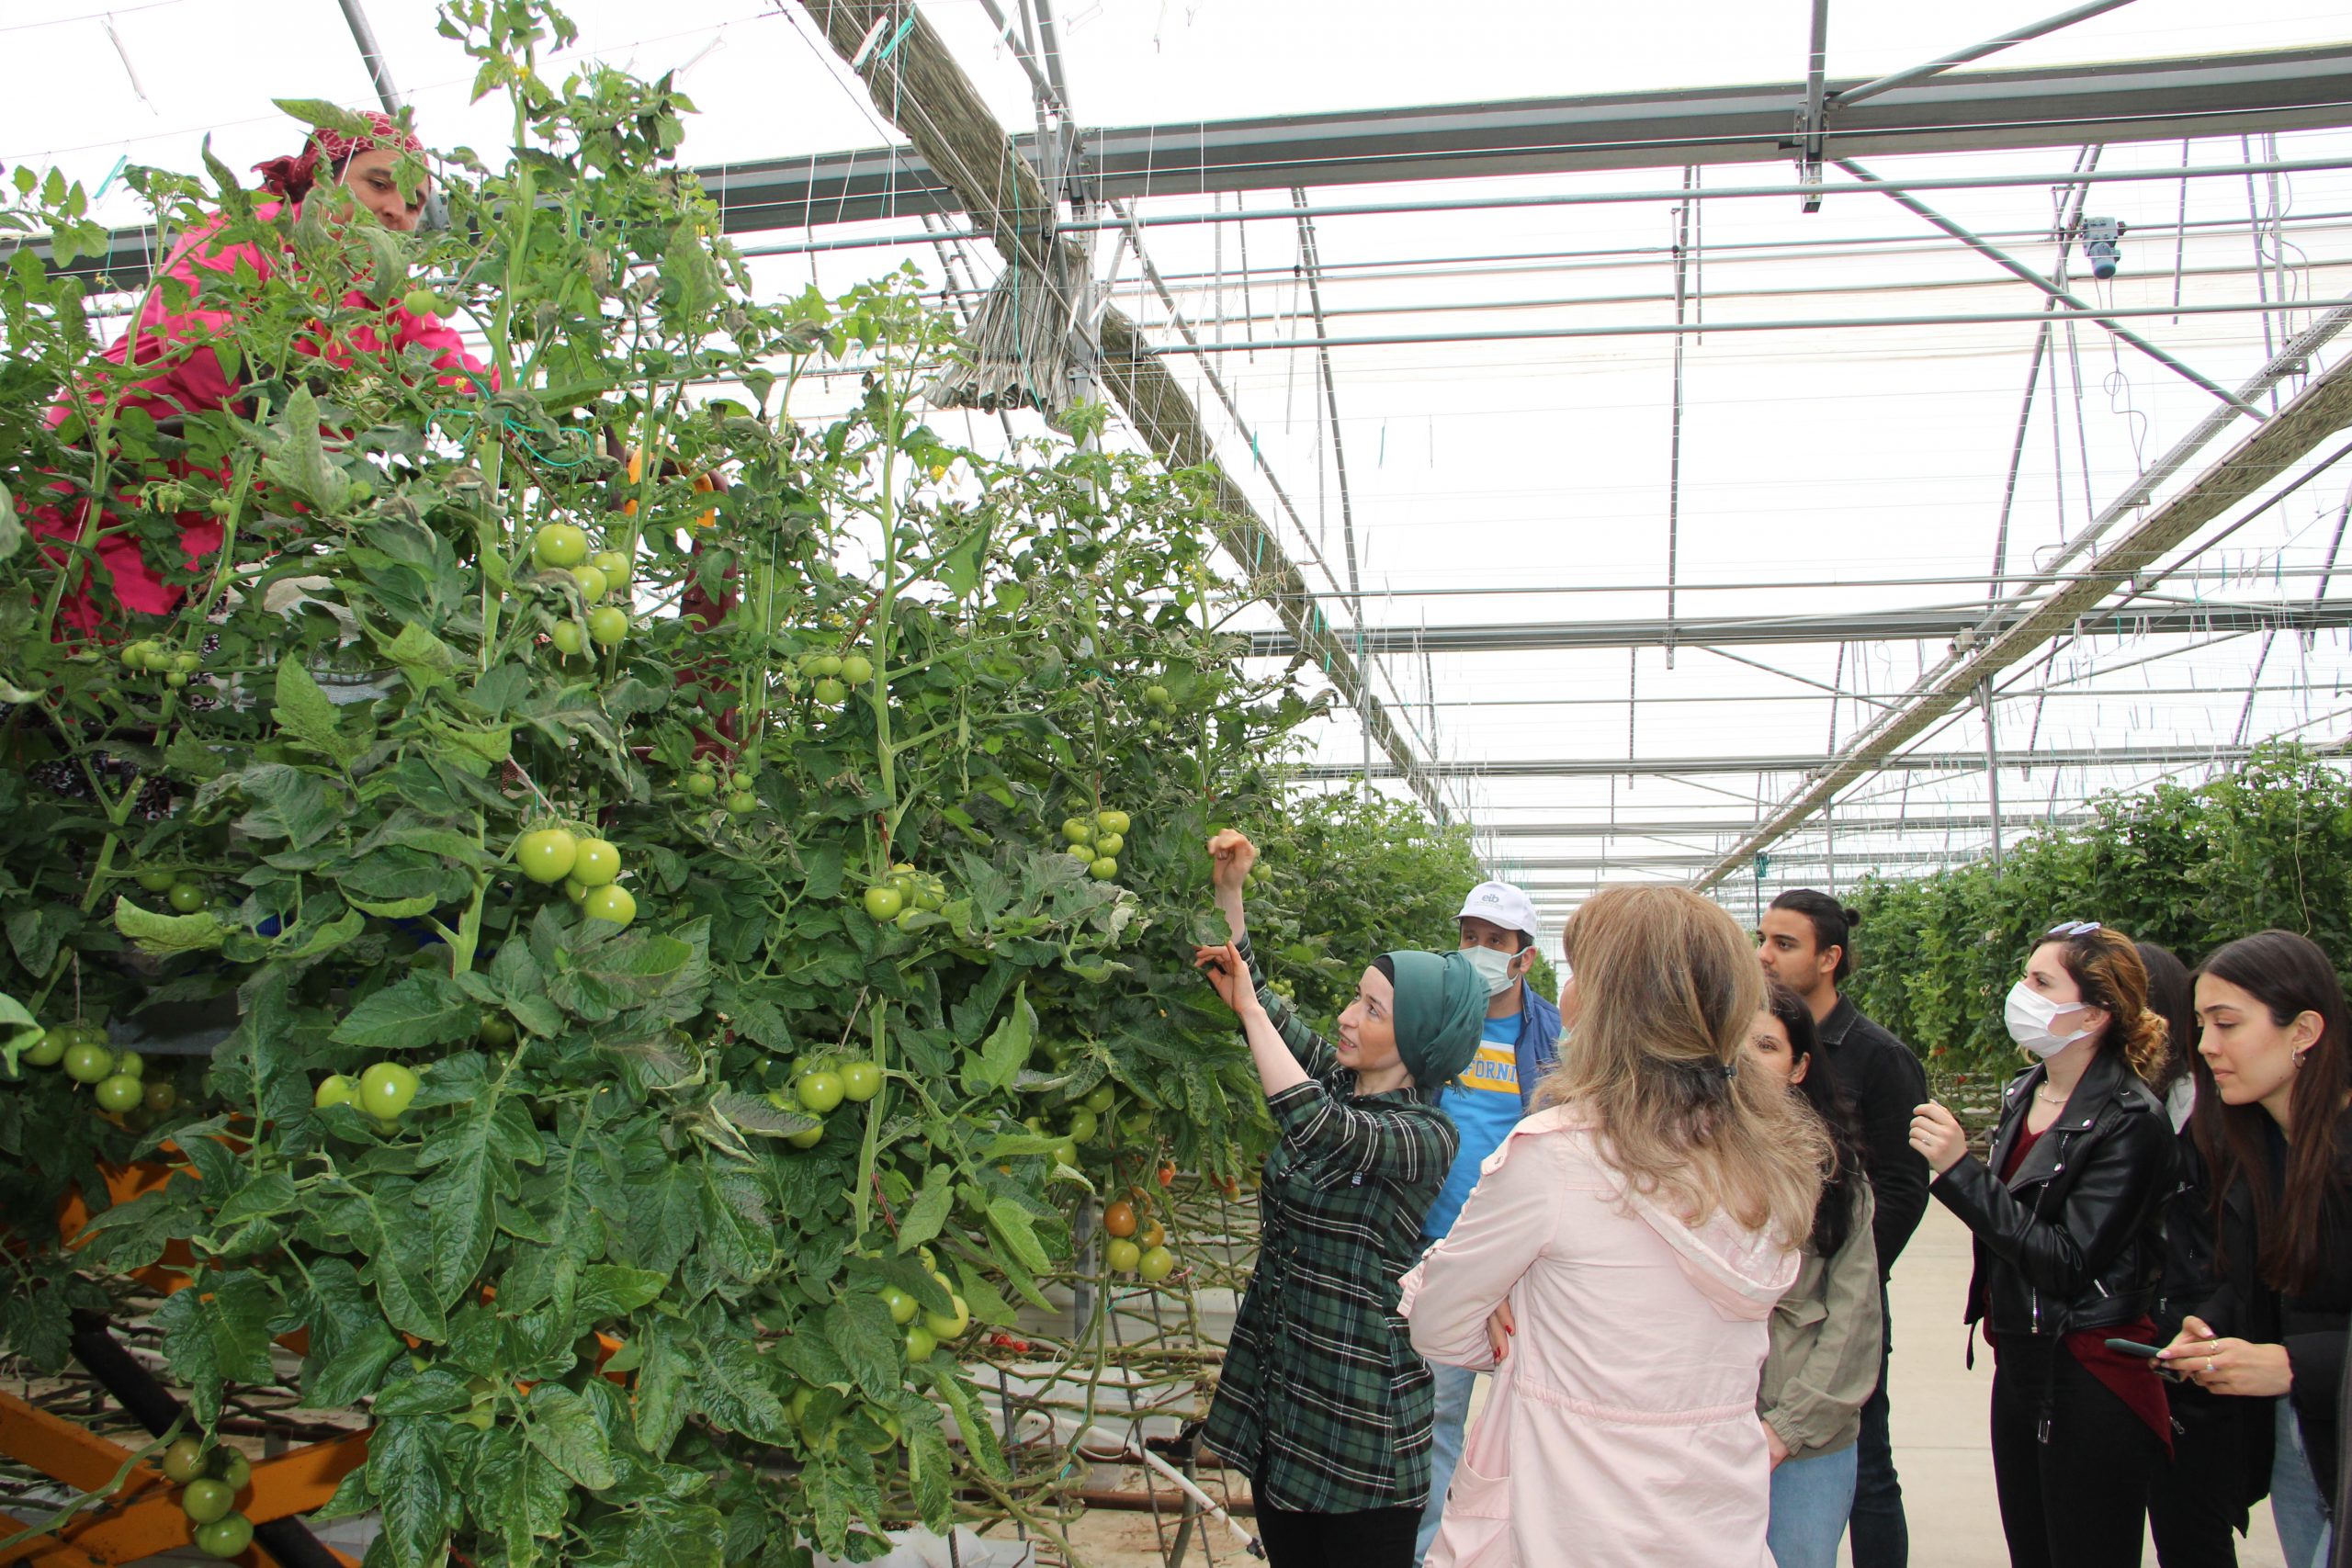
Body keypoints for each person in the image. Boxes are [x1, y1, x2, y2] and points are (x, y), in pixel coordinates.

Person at [1400, 885, 1829, 1568]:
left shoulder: (1560, 1155)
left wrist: (1514, 1296)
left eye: (1582, 976)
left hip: (1562, 1521)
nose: (1566, 995)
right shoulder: (1768, 1166)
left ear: (1611, 1008)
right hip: (1709, 1523)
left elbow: (1438, 1323)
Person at [35, 108, 483, 636]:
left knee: (158, 669)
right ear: (324, 178)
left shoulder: (385, 293)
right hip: (122, 478)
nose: (393, 211)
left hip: (225, 515)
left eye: (413, 205)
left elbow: (446, 364)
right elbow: (195, 327)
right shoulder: (253, 232)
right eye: (378, 184)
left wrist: (522, 414)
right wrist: (297, 392)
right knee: (59, 625)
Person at [1193, 829, 1487, 1568]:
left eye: (1375, 1009)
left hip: (1362, 1417)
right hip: (1288, 1388)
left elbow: (1318, 1125)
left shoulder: (1427, 1134)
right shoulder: (1340, 1078)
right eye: (1357, 997)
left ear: (1418, 1038)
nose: (1349, 1017)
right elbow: (1262, 994)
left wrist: (1250, 1014)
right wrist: (1231, 894)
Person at [1910, 921, 2177, 1568]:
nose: (2020, 992)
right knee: (2033, 1547)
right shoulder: (2025, 1093)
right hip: (2024, 1360)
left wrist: (1960, 1172)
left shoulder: (2130, 1119)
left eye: (2039, 981)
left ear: (2092, 1011)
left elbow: (2067, 1260)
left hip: (2089, 1368)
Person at [2157, 931, 2352, 1568]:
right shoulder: (2255, 1145)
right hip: (2303, 1442)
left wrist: (2294, 1365)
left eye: (2228, 1023)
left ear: (2305, 1030)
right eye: (2202, 1024)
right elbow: (2263, 1283)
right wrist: (2210, 1327)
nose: (2207, 1045)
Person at [1757, 889, 1929, 1568]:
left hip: (1836, 1299)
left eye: (1785, 943)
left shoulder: (1880, 1057)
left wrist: (1839, 1273)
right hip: (1780, 1311)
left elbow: (1902, 1188)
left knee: (1868, 1467)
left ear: (1831, 958)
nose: (1765, 954)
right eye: (1763, 938)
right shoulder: (1746, 1047)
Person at [1414, 882, 1563, 1564]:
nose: (1477, 951)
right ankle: (1426, 1552)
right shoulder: (1437, 1023)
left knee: (1534, 1424)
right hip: (1443, 1248)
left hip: (1530, 1267)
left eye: (1495, 942)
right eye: (1470, 935)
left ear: (1524, 958)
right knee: (1434, 1418)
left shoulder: (1556, 1036)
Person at [1748, 980, 1884, 1568]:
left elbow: (1855, 1320)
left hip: (1806, 1441)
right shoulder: (1682, 1166)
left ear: (1800, 1066)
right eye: (1736, 1045)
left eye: (1767, 1047)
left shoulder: (1836, 1182)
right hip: (1704, 1432)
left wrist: (1788, 1428)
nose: (1748, 1062)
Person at [2143, 940, 2269, 1567]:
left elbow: (2243, 1255)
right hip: (2160, 1344)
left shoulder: (2220, 1112)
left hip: (2201, 1352)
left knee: (2193, 1529)